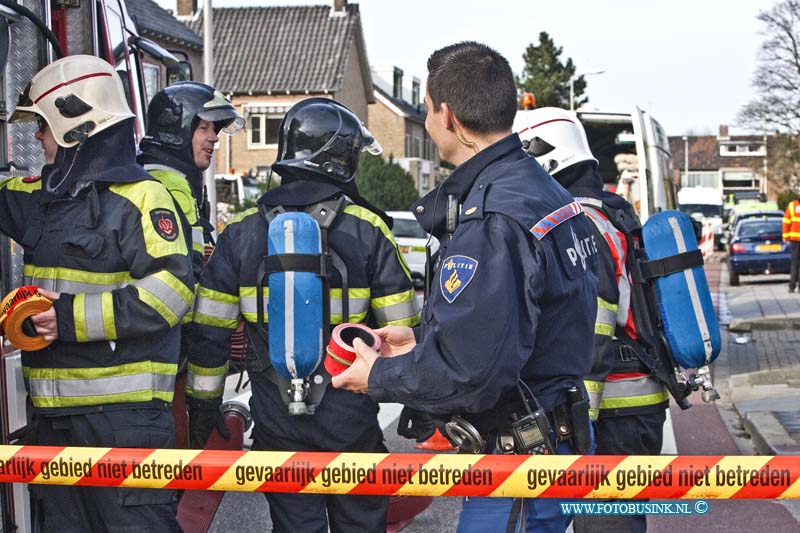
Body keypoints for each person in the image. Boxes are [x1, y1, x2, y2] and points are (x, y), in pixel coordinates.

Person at [333, 42, 598, 533]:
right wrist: (426, 344)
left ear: (448, 115)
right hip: (553, 439)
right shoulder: (545, 190)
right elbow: (527, 323)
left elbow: (472, 370)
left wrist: (378, 377)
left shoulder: (492, 217)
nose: (430, 123)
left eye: (430, 111)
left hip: (519, 461)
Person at [183, 97, 420, 532]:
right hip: (352, 422)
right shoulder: (369, 230)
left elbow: (207, 334)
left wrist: (203, 406)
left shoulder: (239, 236)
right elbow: (404, 331)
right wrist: (421, 403)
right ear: (341, 157)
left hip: (276, 423)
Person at [0, 55, 193, 531]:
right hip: (53, 424)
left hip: (124, 425)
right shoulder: (44, 197)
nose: (38, 140)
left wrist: (64, 319)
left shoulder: (142, 198)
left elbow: (171, 293)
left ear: (76, 129)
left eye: (44, 128)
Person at [517, 107, 669, 533]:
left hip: (611, 413)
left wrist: (576, 424)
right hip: (636, 404)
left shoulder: (582, 224)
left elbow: (595, 332)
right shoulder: (614, 212)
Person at [138, 82, 244, 447]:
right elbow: (191, 284)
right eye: (204, 127)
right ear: (177, 128)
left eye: (215, 129)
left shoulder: (156, 175)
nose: (214, 137)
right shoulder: (174, 187)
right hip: (167, 356)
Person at [783, 196, 800, 293]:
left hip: (794, 239)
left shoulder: (792, 205)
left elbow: (786, 222)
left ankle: (792, 286)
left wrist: (785, 236)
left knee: (795, 262)